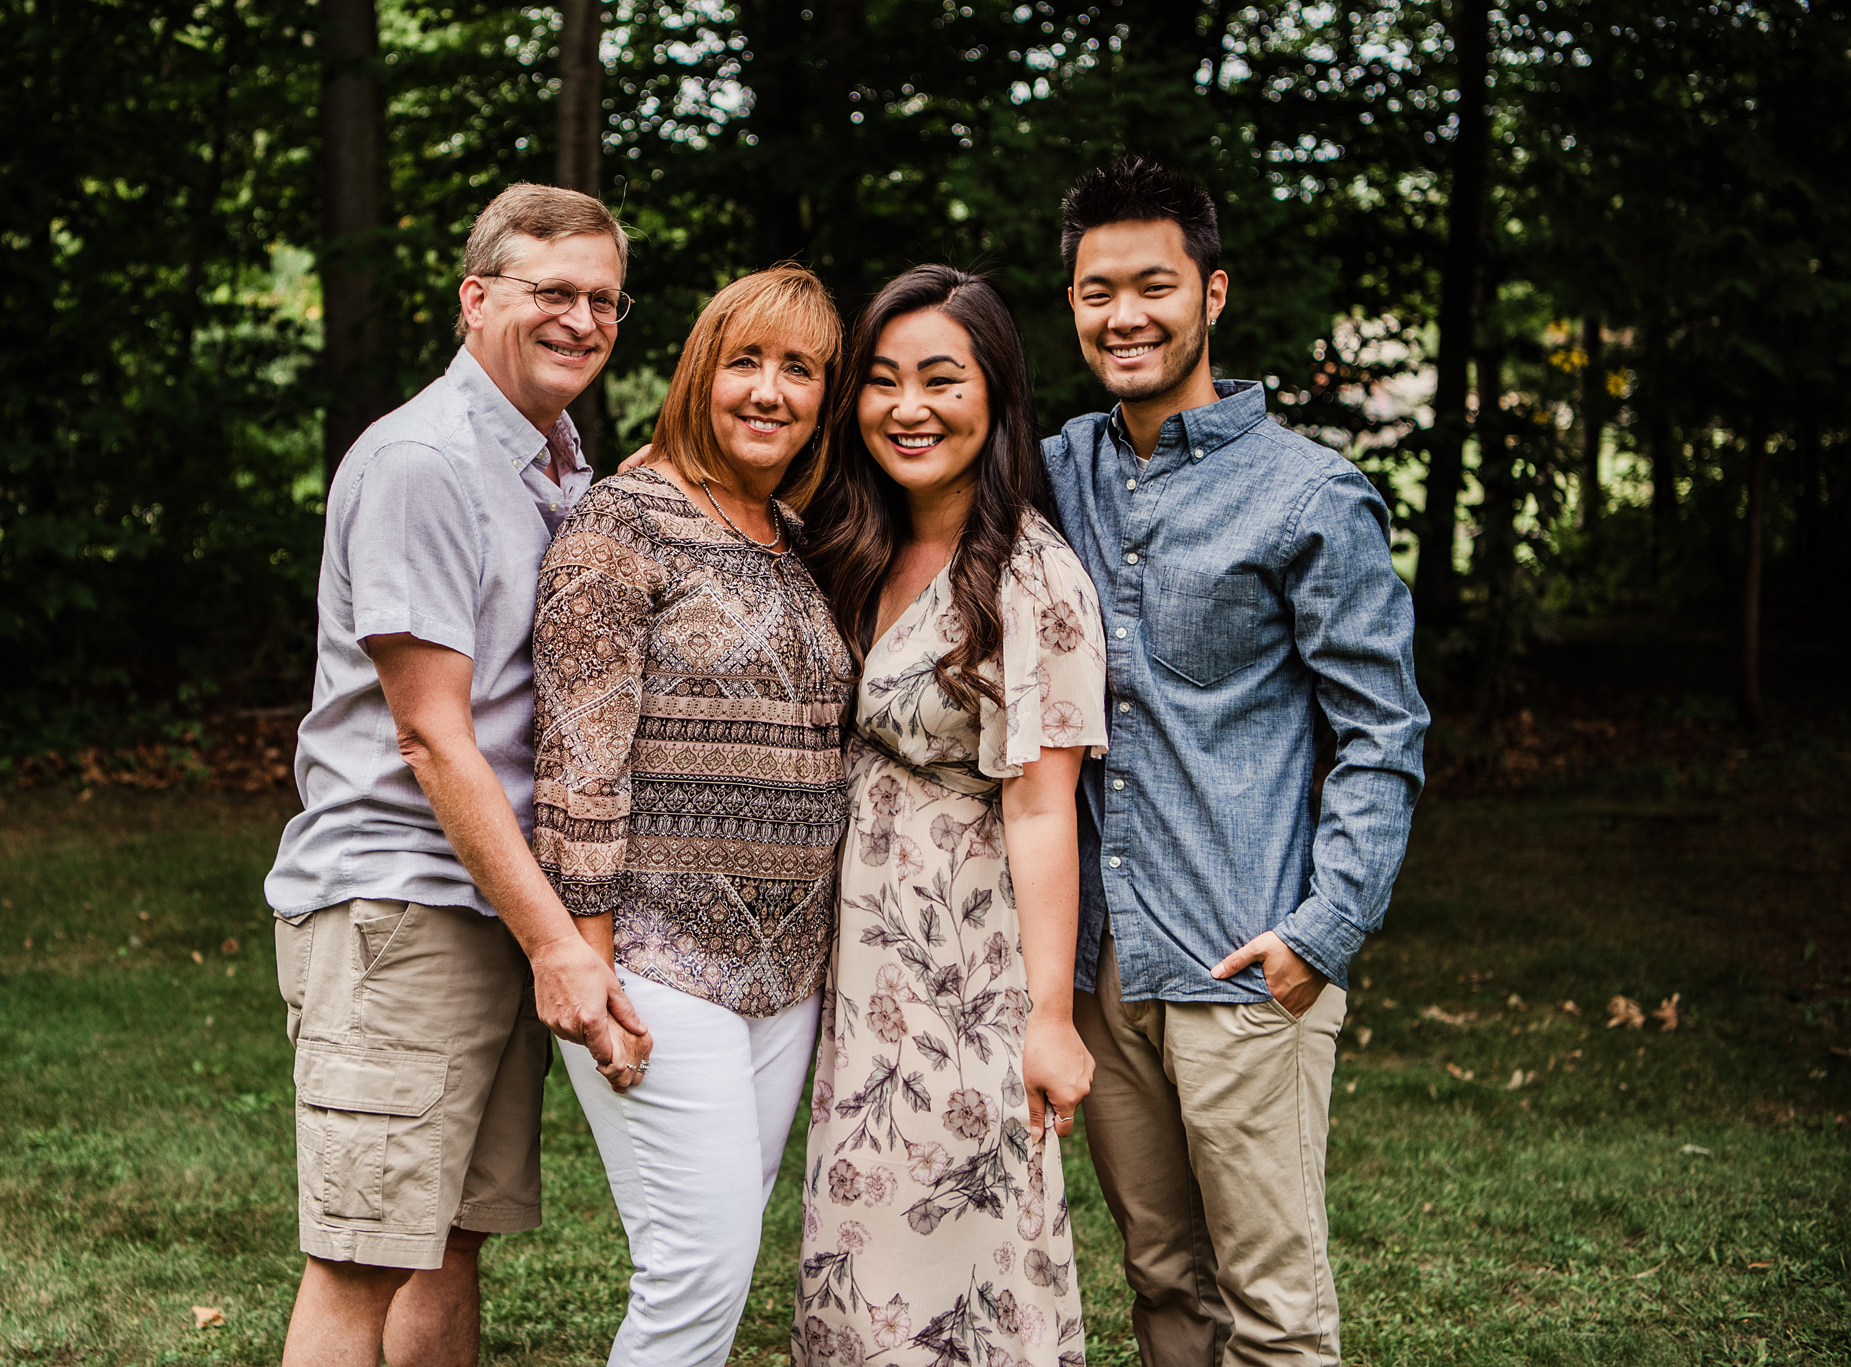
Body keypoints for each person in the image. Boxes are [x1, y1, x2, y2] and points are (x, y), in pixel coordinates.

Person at [1043, 157, 1430, 1365]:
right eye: (1096, 291)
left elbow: (1383, 732)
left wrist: (1322, 931)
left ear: (1212, 293)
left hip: (1247, 964)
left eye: (1151, 285)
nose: (1124, 315)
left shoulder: (1310, 494)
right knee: (1161, 1280)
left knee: (1271, 1304)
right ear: (1071, 305)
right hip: (1103, 977)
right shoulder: (1056, 470)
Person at [262, 183, 651, 1367]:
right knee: (363, 1253)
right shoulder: (423, 461)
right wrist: (558, 944)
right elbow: (431, 735)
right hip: (401, 908)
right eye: (553, 293)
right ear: (476, 297)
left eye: (603, 299)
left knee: (448, 1241)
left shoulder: (556, 467)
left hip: (486, 900)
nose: (582, 319)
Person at [529, 264, 854, 1367]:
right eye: (746, 361)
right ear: (698, 373)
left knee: (711, 1255)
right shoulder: (621, 522)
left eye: (800, 368)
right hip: (656, 963)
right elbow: (580, 754)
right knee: (695, 1272)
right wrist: (588, 957)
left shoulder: (801, 536)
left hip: (785, 971)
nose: (770, 391)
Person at [792, 265, 1107, 1367]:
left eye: (940, 377)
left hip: (964, 978)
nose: (907, 407)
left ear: (996, 394)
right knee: (857, 1256)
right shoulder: (844, 543)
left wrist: (1051, 1015)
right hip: (858, 975)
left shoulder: (1031, 577)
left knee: (958, 1264)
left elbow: (1040, 811)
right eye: (880, 381)